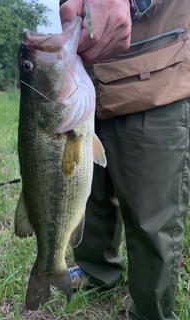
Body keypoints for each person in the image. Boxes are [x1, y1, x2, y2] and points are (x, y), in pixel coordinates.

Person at [59, 1, 190, 320]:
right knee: (90, 193)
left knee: (151, 215)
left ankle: (151, 311)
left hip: (154, 74)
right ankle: (96, 270)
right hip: (85, 82)